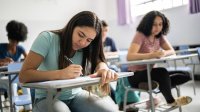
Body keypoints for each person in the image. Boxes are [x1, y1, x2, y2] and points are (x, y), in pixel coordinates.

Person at [19, 11, 119, 112]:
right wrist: (60, 74)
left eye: (89, 40)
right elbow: (24, 76)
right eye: (80, 35)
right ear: (72, 26)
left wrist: (104, 69)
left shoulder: (86, 46)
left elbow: (99, 61)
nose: (83, 42)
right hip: (46, 98)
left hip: (76, 95)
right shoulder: (47, 38)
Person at [127, 10, 192, 107]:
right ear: (148, 24)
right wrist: (151, 55)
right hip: (136, 75)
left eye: (160, 24)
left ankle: (162, 85)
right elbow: (130, 56)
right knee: (162, 72)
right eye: (154, 24)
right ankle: (171, 101)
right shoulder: (140, 35)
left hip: (151, 73)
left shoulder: (159, 36)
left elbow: (172, 51)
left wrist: (164, 52)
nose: (158, 28)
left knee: (186, 74)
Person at [0, 20, 30, 110]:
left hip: (15, 75)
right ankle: (14, 109)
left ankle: (29, 108)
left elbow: (29, 59)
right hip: (2, 76)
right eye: (13, 41)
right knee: (12, 84)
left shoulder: (20, 48)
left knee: (25, 82)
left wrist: (23, 63)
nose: (14, 44)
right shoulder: (1, 47)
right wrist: (3, 61)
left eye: (17, 42)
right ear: (9, 38)